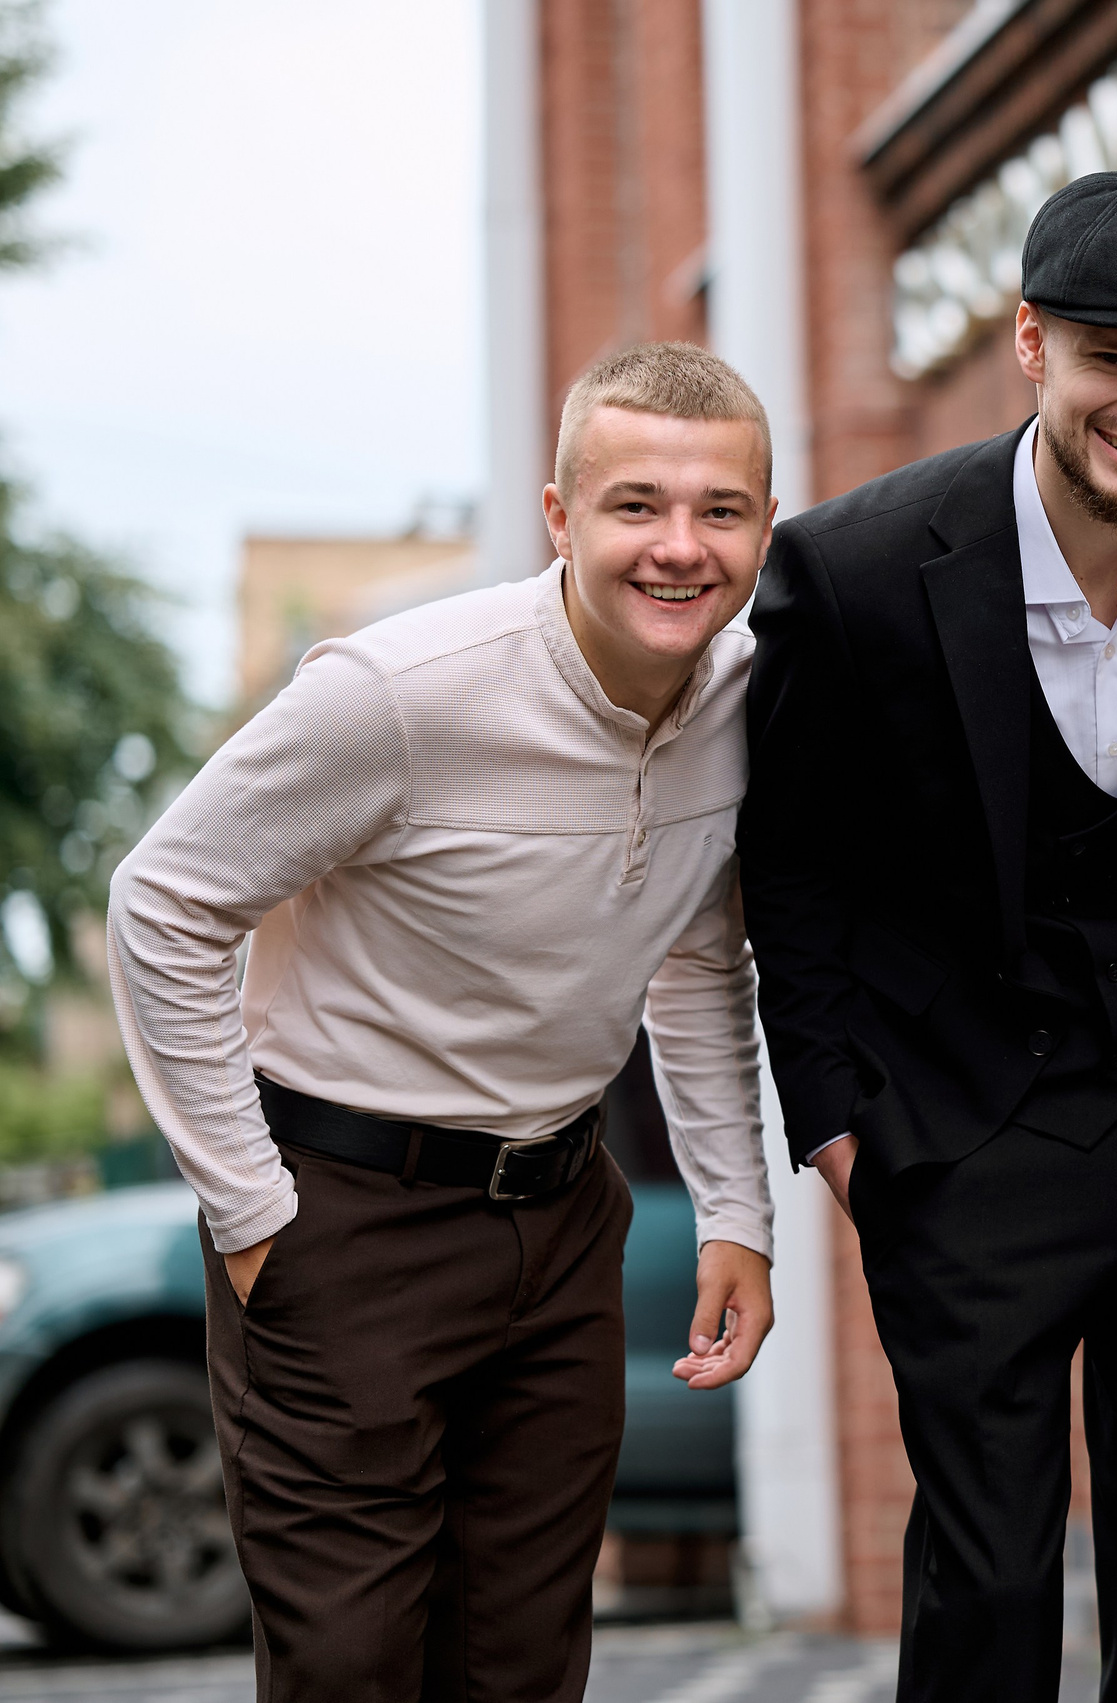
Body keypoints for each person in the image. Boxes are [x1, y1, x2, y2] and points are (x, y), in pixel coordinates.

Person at [106, 343, 779, 1703]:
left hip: (563, 1219)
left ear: (765, 525)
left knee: (522, 1665)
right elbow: (163, 904)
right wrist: (249, 1212)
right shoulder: (400, 694)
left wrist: (734, 1213)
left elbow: (701, 957)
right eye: (635, 504)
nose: (679, 548)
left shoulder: (745, 700)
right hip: (342, 1222)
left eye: (721, 511)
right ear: (557, 518)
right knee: (352, 1670)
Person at [741, 170, 1117, 1700]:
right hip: (962, 1123)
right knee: (992, 1578)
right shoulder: (857, 566)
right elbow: (790, 869)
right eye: (1114, 363)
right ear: (1030, 342)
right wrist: (838, 1128)